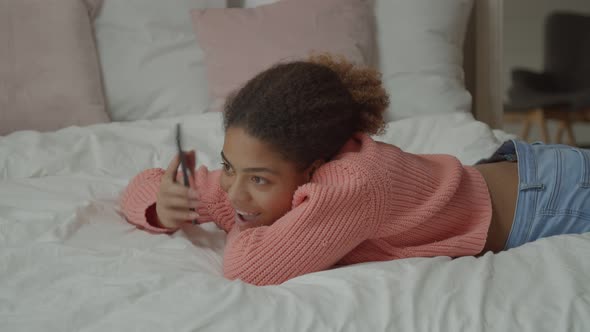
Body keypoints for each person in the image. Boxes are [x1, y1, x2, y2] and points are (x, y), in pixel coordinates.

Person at [120, 54, 590, 286]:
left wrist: (229, 216)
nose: (236, 191)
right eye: (228, 166)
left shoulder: (354, 184)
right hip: (523, 171)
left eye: (259, 179)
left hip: (552, 201)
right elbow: (145, 184)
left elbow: (249, 267)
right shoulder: (279, 167)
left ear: (315, 169)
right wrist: (163, 203)